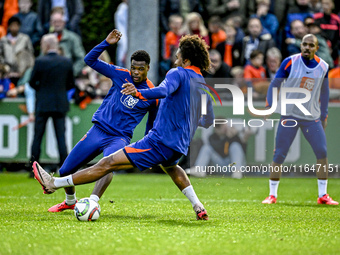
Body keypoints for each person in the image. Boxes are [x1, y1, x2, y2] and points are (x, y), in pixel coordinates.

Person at [33, 33, 214, 220]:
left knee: (108, 163)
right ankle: (198, 206)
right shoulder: (202, 85)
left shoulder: (177, 73)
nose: (175, 60)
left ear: (186, 59)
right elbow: (207, 120)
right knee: (172, 168)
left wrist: (138, 93)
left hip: (156, 141)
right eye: (133, 68)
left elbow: (163, 91)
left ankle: (55, 183)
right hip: (177, 145)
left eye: (177, 57)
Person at [44, 29, 159, 212]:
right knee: (65, 170)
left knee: (107, 166)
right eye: (133, 68)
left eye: (140, 69)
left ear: (148, 68)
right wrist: (106, 43)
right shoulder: (120, 74)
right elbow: (89, 60)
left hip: (119, 138)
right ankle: (70, 201)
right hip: (97, 131)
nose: (136, 72)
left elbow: (151, 125)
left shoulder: (153, 93)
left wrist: (149, 149)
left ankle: (92, 201)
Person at [262, 34, 338, 205]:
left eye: (311, 45)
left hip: (311, 117)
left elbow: (324, 92)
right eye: (304, 44)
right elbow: (275, 83)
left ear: (317, 48)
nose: (307, 48)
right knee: (279, 154)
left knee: (322, 152)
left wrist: (324, 115)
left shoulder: (323, 67)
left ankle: (322, 195)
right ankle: (272, 194)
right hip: (289, 114)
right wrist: (269, 105)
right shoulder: (290, 61)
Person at [29, 34, 74, 175]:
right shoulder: (66, 62)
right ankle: (65, 168)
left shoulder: (40, 61)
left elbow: (31, 82)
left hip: (43, 104)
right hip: (60, 103)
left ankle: (33, 169)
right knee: (61, 137)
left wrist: (42, 90)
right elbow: (70, 84)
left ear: (46, 45)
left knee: (37, 136)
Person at [49, 11, 85, 77]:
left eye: (59, 21)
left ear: (64, 23)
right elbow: (42, 58)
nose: (57, 24)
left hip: (68, 76)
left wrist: (72, 73)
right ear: (51, 23)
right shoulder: (47, 39)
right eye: (54, 22)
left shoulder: (73, 38)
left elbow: (81, 58)